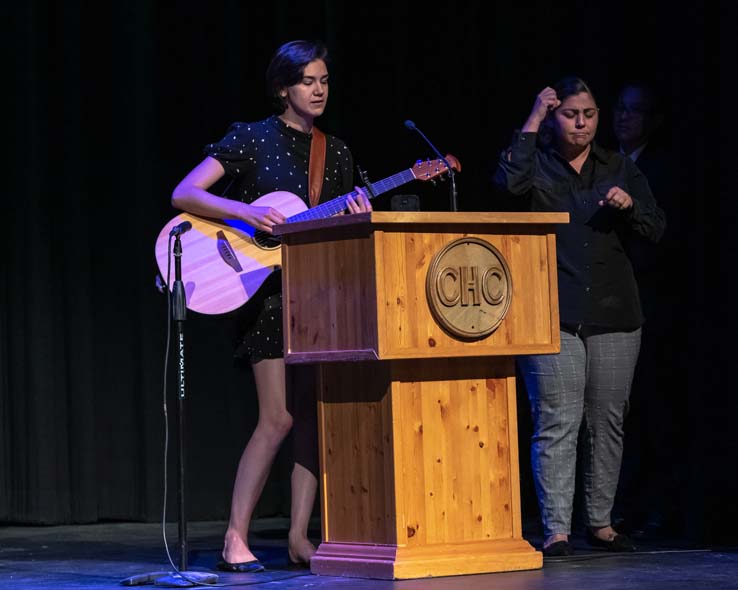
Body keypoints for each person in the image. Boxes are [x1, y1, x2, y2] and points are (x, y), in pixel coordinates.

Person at [171, 40, 371, 572]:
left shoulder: (339, 152)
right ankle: (235, 536)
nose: (319, 89)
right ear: (283, 87)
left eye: (324, 80)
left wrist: (355, 214)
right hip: (265, 297)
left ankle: (301, 538)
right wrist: (245, 212)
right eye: (308, 80)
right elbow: (186, 193)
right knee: (278, 417)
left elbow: (332, 230)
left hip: (318, 294)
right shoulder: (252, 139)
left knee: (311, 418)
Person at [493, 77, 666, 557]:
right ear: (554, 117)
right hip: (552, 312)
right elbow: (508, 185)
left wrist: (629, 208)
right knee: (557, 420)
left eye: (589, 113)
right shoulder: (538, 165)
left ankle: (601, 522)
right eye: (571, 114)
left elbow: (656, 225)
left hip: (614, 311)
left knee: (607, 420)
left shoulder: (617, 167)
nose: (582, 122)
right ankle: (556, 529)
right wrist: (531, 118)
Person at [611, 82, 683, 538]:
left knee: (655, 408)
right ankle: (617, 509)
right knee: (616, 413)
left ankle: (657, 507)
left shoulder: (662, 168)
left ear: (653, 120)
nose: (624, 118)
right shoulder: (602, 164)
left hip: (652, 299)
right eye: (618, 109)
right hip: (609, 301)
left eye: (634, 111)